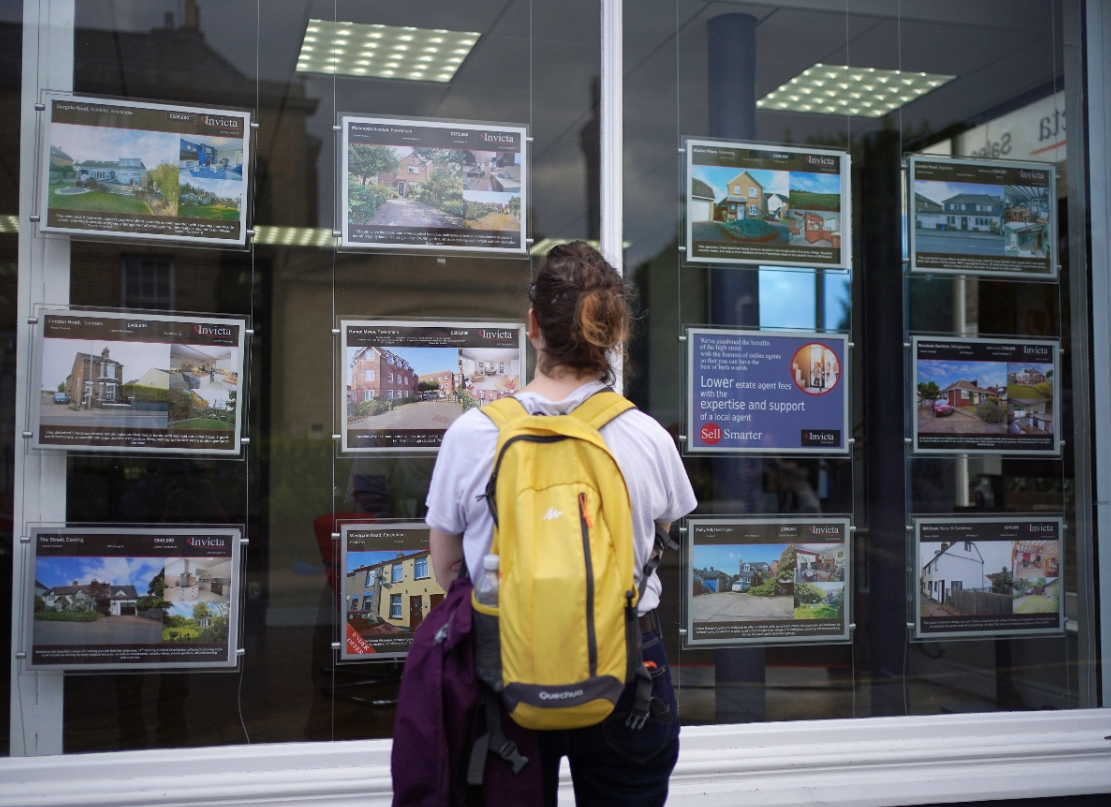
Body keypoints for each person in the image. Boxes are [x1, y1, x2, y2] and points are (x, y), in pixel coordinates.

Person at [426, 240, 697, 806]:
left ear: (533, 325)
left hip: (506, 661)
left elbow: (447, 568)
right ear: (615, 332)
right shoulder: (646, 436)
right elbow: (662, 535)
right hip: (628, 663)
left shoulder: (473, 435)